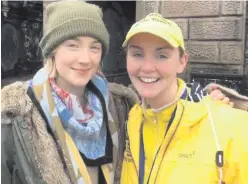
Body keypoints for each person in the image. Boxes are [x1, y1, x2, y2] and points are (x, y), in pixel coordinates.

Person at [1, 2, 244, 184]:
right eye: (72, 45)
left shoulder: (119, 105)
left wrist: (214, 102)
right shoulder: (15, 116)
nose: (84, 58)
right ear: (52, 50)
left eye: (94, 47)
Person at [120, 13, 248, 184]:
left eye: (162, 55)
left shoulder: (229, 125)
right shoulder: (131, 119)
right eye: (137, 54)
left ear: (182, 61)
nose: (147, 67)